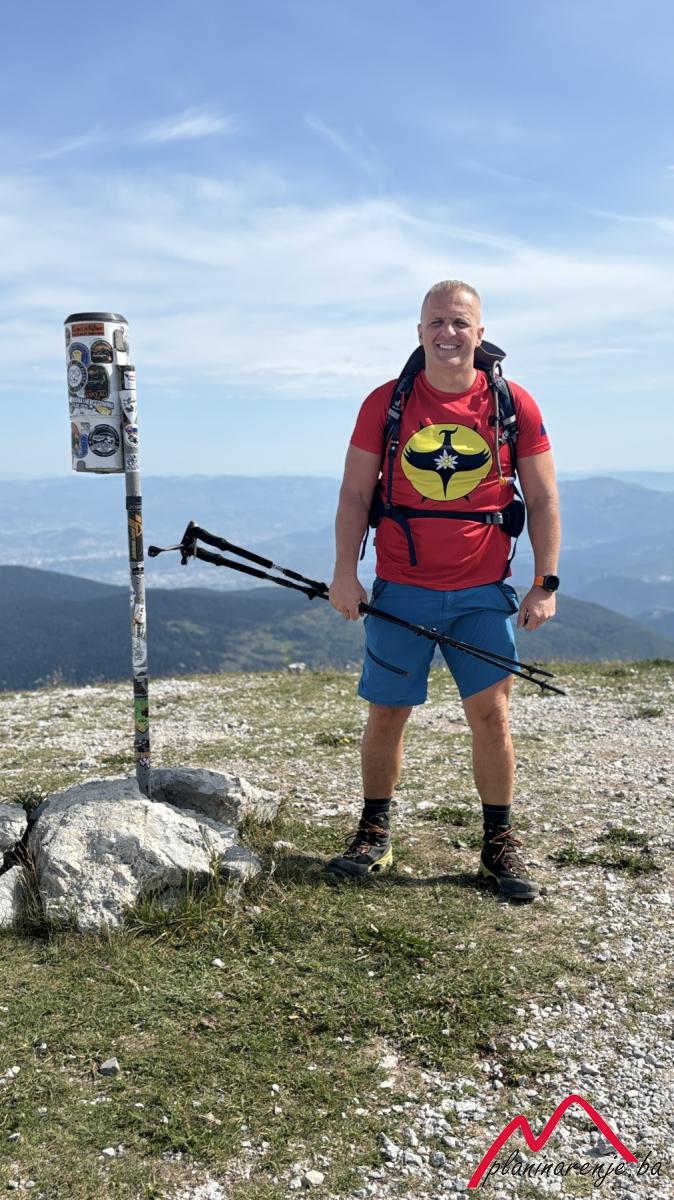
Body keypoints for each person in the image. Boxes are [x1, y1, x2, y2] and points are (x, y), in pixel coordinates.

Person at [327, 280, 560, 901]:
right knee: (387, 714)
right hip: (400, 589)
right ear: (419, 331)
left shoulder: (513, 404)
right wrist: (345, 571)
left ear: (480, 333)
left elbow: (542, 499)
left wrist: (544, 582)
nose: (448, 333)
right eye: (437, 321)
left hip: (483, 591)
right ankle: (374, 832)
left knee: (493, 716)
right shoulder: (386, 403)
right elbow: (354, 493)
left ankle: (498, 843)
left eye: (460, 322)